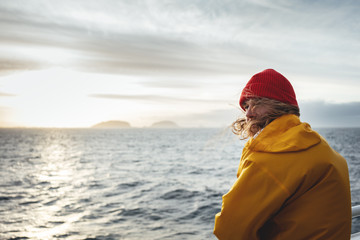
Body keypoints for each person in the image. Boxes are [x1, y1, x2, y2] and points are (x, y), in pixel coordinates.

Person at [213, 69, 351, 240]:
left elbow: (229, 229)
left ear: (279, 105)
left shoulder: (270, 159)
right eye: (246, 106)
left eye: (257, 103)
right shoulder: (322, 148)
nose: (248, 113)